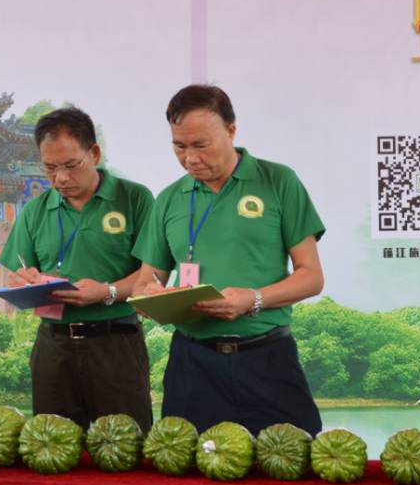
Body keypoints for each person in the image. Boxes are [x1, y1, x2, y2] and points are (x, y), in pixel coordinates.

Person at [131, 84, 325, 434]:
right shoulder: (169, 199)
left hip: (267, 359)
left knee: (294, 466)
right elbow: (146, 280)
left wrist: (254, 299)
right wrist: (151, 298)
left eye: (201, 146)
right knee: (188, 473)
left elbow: (311, 276)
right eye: (179, 146)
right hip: (192, 364)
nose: (190, 158)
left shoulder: (278, 182)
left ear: (231, 130)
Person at [0, 107, 154, 432]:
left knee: (125, 445)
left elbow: (152, 276)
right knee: (51, 445)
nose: (61, 178)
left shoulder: (135, 199)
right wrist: (23, 280)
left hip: (116, 343)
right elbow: (14, 273)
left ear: (94, 153)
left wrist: (107, 292)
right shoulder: (35, 211)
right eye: (50, 168)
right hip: (53, 346)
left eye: (71, 166)